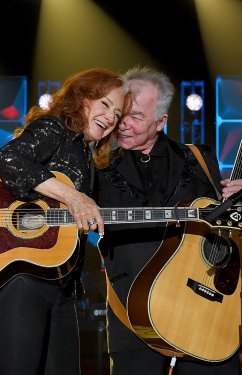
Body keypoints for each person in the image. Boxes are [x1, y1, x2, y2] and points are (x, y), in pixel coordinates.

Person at [94, 66, 242, 375]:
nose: (123, 125)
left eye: (136, 117)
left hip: (202, 309)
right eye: (121, 114)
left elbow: (226, 229)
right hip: (132, 313)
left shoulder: (200, 158)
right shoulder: (98, 165)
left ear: (161, 122)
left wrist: (238, 201)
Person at [0, 67, 131, 375]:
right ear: (81, 98)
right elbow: (7, 158)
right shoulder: (54, 128)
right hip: (22, 279)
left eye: (117, 113)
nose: (111, 117)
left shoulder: (88, 157)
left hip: (64, 287)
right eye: (104, 104)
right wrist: (74, 197)